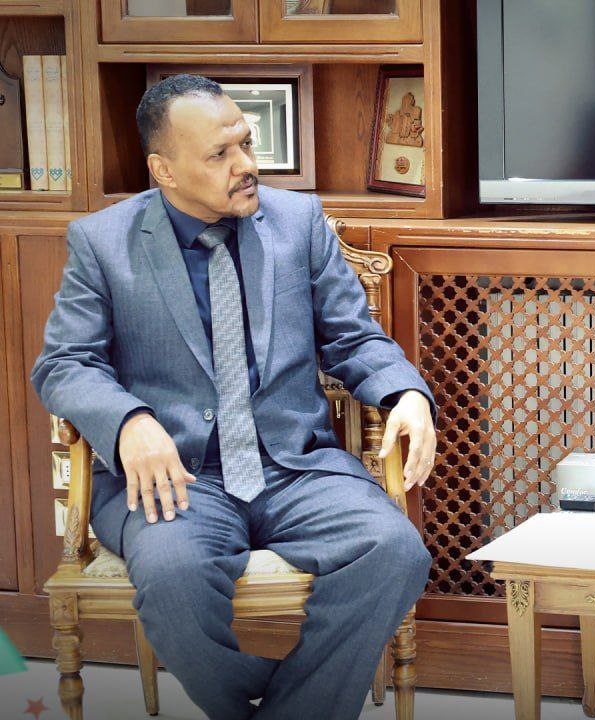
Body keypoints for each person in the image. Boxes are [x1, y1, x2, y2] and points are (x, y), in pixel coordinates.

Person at [30, 74, 438, 720]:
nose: (246, 164)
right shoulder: (103, 243)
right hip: (178, 479)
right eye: (220, 155)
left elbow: (353, 338)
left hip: (294, 466)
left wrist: (406, 392)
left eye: (245, 143)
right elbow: (63, 364)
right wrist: (129, 421)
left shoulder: (298, 222)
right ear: (164, 170)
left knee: (395, 553)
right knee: (173, 581)